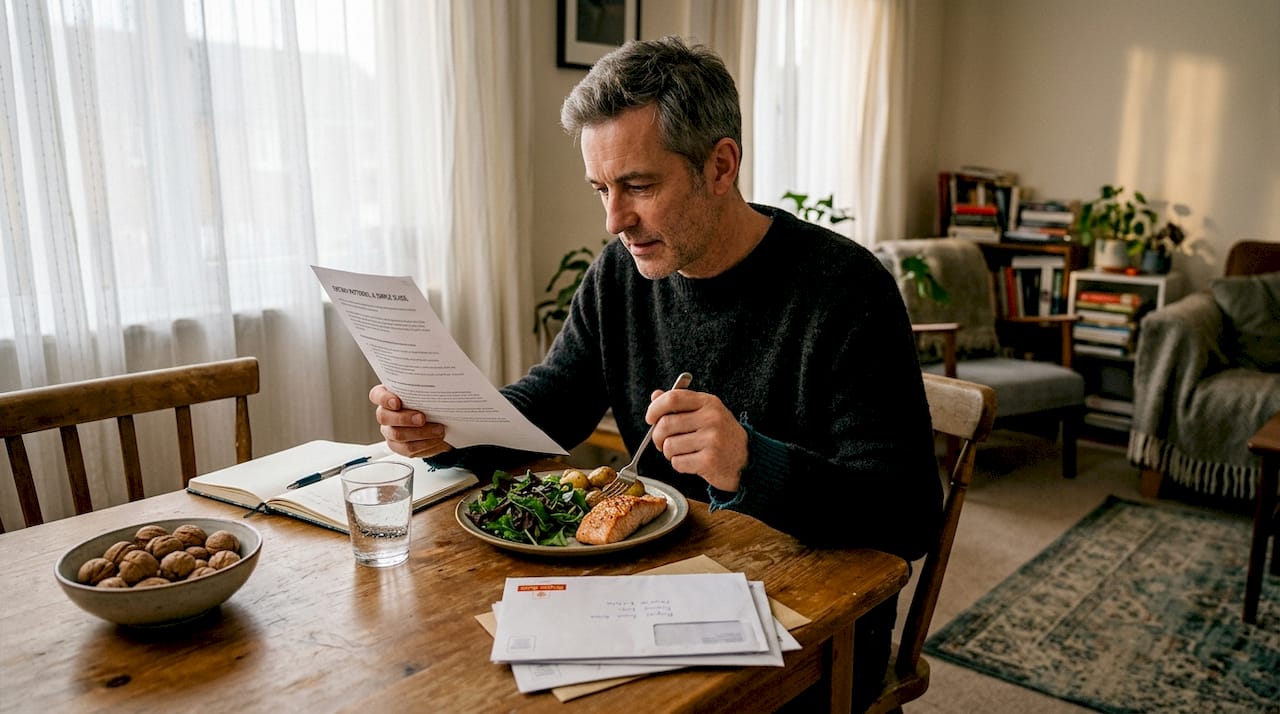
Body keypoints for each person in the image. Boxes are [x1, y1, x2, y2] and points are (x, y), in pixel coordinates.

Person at [370, 35, 940, 709]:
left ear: (720, 165)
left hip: (812, 624)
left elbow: (907, 516)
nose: (615, 220)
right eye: (601, 189)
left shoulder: (845, 290)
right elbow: (556, 399)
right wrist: (451, 427)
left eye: (639, 186)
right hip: (653, 591)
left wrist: (753, 462)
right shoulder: (621, 272)